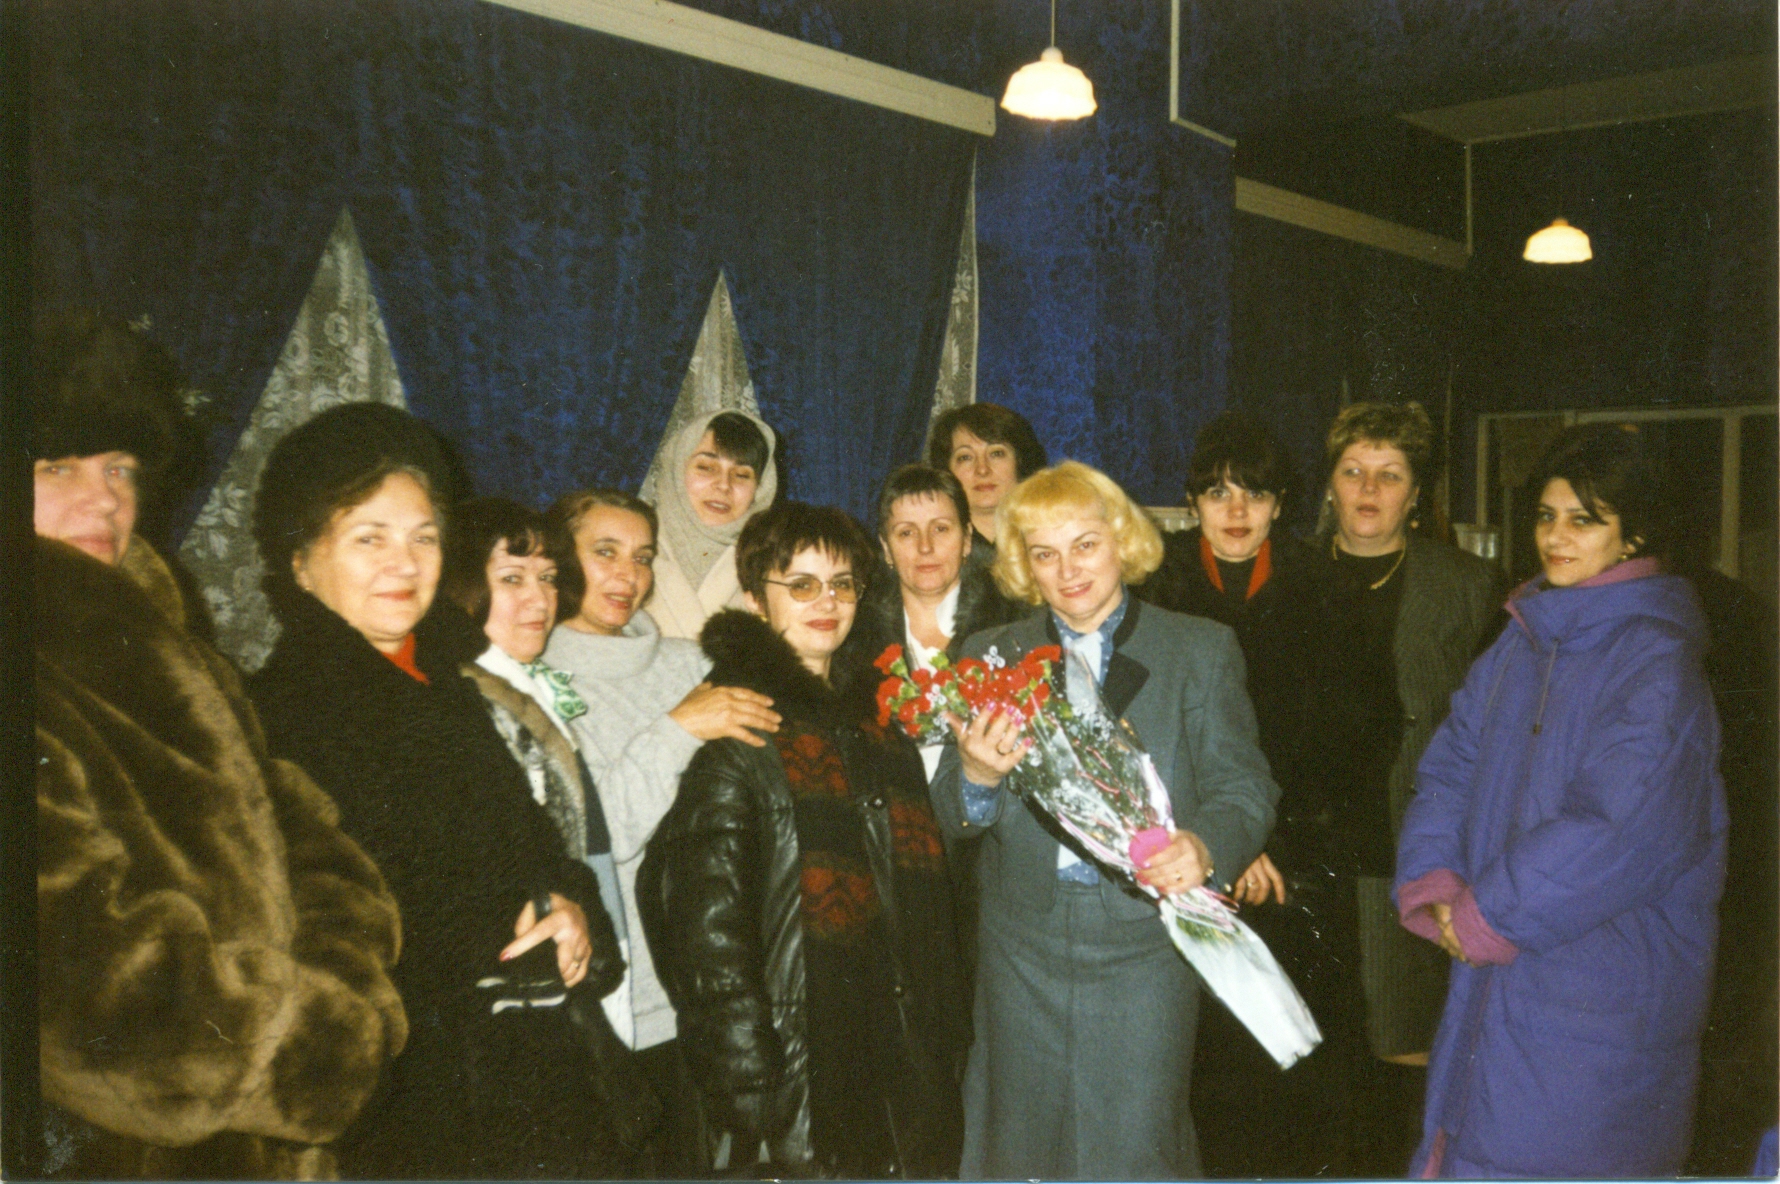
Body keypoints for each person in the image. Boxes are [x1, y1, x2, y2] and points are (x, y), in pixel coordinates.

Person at [31, 311, 406, 1179]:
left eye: (121, 467)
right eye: (57, 467)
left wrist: (349, 992)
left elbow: (307, 837)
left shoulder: (173, 649)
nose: (106, 498)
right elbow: (75, 978)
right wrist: (310, 1053)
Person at [247, 403, 624, 1179]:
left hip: (535, 1082)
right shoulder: (281, 715)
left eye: (423, 537)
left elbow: (542, 848)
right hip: (414, 1111)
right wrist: (499, 935)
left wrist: (571, 909)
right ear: (300, 559)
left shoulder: (451, 687)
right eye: (369, 538)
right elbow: (333, 934)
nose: (404, 563)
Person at [931, 460, 1278, 1180]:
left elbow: (1245, 788)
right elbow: (949, 819)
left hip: (1143, 947)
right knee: (1016, 1145)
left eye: (1085, 545)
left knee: (1135, 1147)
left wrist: (1204, 845)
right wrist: (977, 777)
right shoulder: (988, 654)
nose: (1067, 571)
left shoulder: (1199, 650)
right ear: (1024, 564)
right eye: (1044, 553)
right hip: (1019, 944)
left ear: (1122, 540)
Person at [1395, 425, 1727, 1177]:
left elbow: (1617, 828)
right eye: (1547, 516)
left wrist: (1484, 915)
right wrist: (1437, 881)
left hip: (1598, 995)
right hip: (1496, 978)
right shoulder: (1522, 640)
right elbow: (1449, 768)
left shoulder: (1657, 662)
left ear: (1633, 533)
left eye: (1584, 520)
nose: (1555, 536)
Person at [639, 501, 969, 1177]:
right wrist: (751, 1087)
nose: (828, 601)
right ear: (757, 600)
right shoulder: (737, 723)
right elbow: (706, 937)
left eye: (843, 583)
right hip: (795, 1074)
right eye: (803, 584)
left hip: (898, 1058)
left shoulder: (878, 722)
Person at [1133, 412, 1359, 1177]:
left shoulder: (1326, 588)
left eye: (1254, 494)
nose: (1236, 511)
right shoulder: (1152, 584)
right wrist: (1219, 838)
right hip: (1181, 850)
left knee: (1286, 1068)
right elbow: (1139, 736)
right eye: (1218, 492)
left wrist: (1269, 841)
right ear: (1192, 500)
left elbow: (1355, 739)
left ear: (1280, 504)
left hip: (1294, 860)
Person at [540, 487, 781, 1175]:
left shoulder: (691, 664)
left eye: (642, 557)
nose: (628, 576)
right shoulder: (536, 681)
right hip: (619, 1002)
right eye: (606, 553)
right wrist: (678, 728)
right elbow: (596, 835)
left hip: (707, 995)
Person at [1306, 401, 1502, 1173]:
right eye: (1353, 471)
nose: (1368, 490)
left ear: (1417, 494)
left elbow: (1494, 729)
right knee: (1321, 1051)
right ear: (1329, 483)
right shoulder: (1290, 573)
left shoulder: (1470, 584)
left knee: (1407, 1044)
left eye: (1389, 476)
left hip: (1413, 844)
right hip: (1312, 849)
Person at [436, 499, 659, 1150]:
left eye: (547, 578)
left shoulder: (523, 682)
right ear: (463, 586)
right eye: (512, 579)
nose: (539, 599)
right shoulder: (464, 699)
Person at [647, 409, 779, 640]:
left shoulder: (772, 562)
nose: (724, 485)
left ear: (760, 489)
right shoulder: (633, 548)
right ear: (676, 468)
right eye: (706, 468)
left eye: (742, 475)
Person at [927, 403, 1047, 579]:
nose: (982, 469)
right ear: (946, 471)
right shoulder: (929, 550)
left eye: (996, 453)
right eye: (965, 457)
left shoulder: (1050, 540)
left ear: (1020, 463)